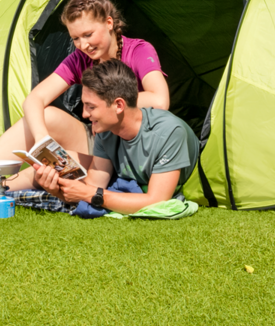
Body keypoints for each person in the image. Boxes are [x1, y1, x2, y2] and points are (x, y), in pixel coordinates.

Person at [0, 0, 169, 208]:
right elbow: (34, 100)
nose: (82, 45)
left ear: (109, 23)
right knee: (43, 116)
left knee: (47, 173)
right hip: (97, 141)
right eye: (75, 38)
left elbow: (160, 100)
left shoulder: (138, 50)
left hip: (129, 149)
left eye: (88, 34)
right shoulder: (80, 59)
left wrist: (110, 100)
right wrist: (42, 140)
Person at [31, 58, 199, 215]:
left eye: (91, 107)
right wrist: (56, 189)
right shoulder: (106, 131)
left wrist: (91, 193)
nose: (84, 114)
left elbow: (157, 200)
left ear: (119, 105)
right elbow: (94, 186)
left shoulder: (169, 132)